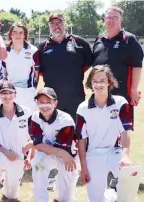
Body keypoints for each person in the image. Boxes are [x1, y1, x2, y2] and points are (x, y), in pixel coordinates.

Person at [76, 65, 133, 202]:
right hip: (93, 154)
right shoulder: (83, 108)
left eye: (102, 80)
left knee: (127, 190)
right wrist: (83, 167)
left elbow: (126, 131)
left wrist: (125, 156)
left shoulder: (120, 103)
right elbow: (81, 140)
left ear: (109, 82)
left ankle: (114, 195)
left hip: (115, 152)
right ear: (91, 84)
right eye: (95, 81)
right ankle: (109, 196)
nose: (99, 84)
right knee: (95, 199)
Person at [33, 13, 93, 119]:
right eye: (53, 24)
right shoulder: (42, 47)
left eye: (59, 23)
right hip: (51, 98)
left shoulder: (80, 42)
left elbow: (88, 65)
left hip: (76, 96)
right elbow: (40, 71)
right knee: (54, 131)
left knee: (77, 131)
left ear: (65, 24)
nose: (57, 26)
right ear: (49, 26)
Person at [92, 7, 143, 128]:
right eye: (108, 17)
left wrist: (133, 90)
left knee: (122, 127)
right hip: (100, 91)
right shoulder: (99, 39)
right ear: (104, 20)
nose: (111, 20)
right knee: (101, 126)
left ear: (121, 20)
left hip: (122, 92)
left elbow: (137, 65)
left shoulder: (129, 39)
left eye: (115, 17)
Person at [27, 87, 79, 202]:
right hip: (52, 152)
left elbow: (64, 149)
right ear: (37, 103)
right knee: (38, 163)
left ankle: (61, 195)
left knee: (65, 199)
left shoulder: (66, 120)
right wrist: (33, 147)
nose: (44, 106)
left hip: (69, 156)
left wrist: (32, 145)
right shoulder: (34, 118)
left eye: (48, 102)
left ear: (55, 103)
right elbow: (38, 144)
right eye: (41, 102)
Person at [0, 81, 32, 202]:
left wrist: (29, 157)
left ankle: (6, 180)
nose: (7, 96)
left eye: (10, 93)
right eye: (3, 93)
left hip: (19, 156)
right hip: (3, 154)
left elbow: (34, 137)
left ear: (15, 95)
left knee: (11, 196)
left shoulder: (27, 113)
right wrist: (6, 152)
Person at [3, 22, 38, 112]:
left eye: (21, 32)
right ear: (10, 34)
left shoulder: (33, 50)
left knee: (28, 121)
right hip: (11, 92)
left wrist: (34, 88)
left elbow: (37, 73)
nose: (17, 35)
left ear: (25, 35)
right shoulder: (5, 51)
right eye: (15, 32)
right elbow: (3, 73)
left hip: (28, 91)